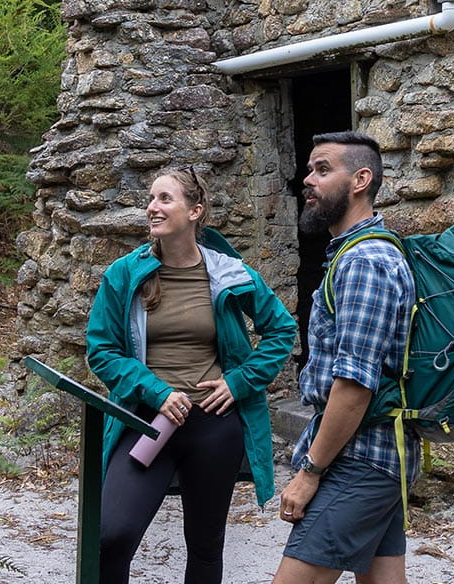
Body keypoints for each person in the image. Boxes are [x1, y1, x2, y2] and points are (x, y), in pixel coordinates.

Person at [84, 166, 296, 584]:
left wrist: (238, 382)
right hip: (145, 422)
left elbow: (282, 329)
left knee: (204, 546)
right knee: (111, 535)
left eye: (165, 199)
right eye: (151, 199)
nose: (152, 207)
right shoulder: (125, 274)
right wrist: (155, 390)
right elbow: (101, 351)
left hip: (213, 427)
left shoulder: (228, 272)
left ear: (195, 211)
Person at [273, 132, 417, 584]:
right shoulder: (360, 253)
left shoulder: (364, 262)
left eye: (322, 169)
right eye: (309, 169)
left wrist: (310, 472)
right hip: (379, 457)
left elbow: (354, 386)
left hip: (359, 460)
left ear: (361, 179)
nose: (307, 180)